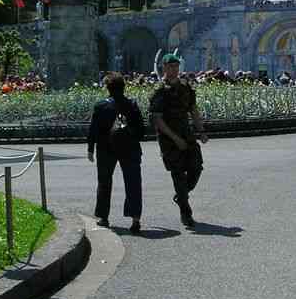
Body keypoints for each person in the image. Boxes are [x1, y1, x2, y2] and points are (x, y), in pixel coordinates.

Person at [149, 53, 208, 227]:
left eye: (176, 66)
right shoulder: (159, 90)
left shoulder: (185, 87)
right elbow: (157, 120)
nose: (174, 69)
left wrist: (201, 131)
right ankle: (185, 212)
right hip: (168, 139)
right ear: (164, 68)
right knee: (178, 174)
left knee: (196, 167)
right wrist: (175, 139)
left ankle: (181, 195)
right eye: (170, 66)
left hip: (186, 134)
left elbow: (193, 110)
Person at [88, 72, 144, 232]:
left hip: (106, 148)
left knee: (104, 182)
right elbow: (141, 130)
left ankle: (103, 217)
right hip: (130, 148)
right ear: (123, 87)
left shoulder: (101, 106)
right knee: (133, 182)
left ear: (108, 88)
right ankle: (135, 219)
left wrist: (90, 148)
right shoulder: (132, 104)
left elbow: (93, 129)